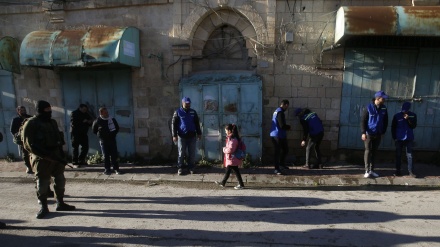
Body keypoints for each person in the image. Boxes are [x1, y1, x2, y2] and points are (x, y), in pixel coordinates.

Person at [22, 100, 75, 219]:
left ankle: (60, 202)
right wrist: (45, 155)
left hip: (56, 156)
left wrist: (61, 156)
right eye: (47, 109)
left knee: (60, 180)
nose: (49, 111)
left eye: (50, 109)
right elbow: (28, 144)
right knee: (42, 183)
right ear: (40, 110)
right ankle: (43, 207)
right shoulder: (31, 123)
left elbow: (59, 139)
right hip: (42, 158)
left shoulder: (52, 122)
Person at [361, 91, 389, 178]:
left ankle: (372, 170)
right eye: (383, 98)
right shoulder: (368, 107)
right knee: (368, 151)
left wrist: (383, 132)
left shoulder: (384, 108)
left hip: (378, 134)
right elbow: (363, 120)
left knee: (375, 152)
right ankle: (366, 170)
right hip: (369, 133)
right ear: (377, 98)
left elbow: (385, 121)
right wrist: (363, 132)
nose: (384, 100)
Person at [171, 97, 202, 175]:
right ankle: (180, 167)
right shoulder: (178, 112)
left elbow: (197, 123)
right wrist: (174, 135)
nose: (188, 104)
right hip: (182, 136)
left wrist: (199, 133)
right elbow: (173, 124)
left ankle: (191, 167)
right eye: (186, 103)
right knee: (181, 152)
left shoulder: (193, 112)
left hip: (192, 136)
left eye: (189, 103)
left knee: (192, 153)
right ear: (182, 103)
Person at [92, 107, 123, 175]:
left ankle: (116, 169)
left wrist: (113, 134)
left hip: (112, 140)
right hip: (103, 141)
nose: (107, 114)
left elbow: (117, 128)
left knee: (114, 155)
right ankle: (107, 169)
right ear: (101, 113)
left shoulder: (112, 119)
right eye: (105, 112)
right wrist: (100, 136)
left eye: (107, 112)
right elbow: (94, 130)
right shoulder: (97, 121)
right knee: (106, 155)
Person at [215, 124, 245, 189]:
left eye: (226, 130)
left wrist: (224, 149)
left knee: (234, 170)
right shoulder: (231, 138)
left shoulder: (233, 139)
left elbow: (231, 149)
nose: (225, 132)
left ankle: (240, 184)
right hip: (232, 158)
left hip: (232, 158)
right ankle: (223, 182)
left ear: (229, 131)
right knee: (231, 170)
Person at [391, 102, 417, 177]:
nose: (404, 111)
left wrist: (408, 119)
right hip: (399, 138)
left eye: (406, 110)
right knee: (398, 154)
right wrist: (394, 138)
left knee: (409, 155)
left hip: (409, 138)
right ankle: (398, 170)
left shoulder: (413, 115)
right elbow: (393, 127)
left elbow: (413, 126)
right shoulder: (397, 116)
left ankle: (410, 171)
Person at [269, 99, 291, 175]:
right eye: (287, 106)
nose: (287, 108)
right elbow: (282, 125)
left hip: (280, 135)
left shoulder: (277, 111)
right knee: (277, 152)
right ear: (286, 105)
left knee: (285, 149)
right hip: (277, 135)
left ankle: (281, 164)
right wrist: (288, 127)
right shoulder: (280, 112)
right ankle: (276, 168)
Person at [10, 106, 33, 174]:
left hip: (31, 139)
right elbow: (12, 130)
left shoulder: (30, 118)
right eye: (21, 110)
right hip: (22, 140)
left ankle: (34, 165)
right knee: (25, 154)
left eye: (24, 110)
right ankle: (28, 167)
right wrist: (17, 137)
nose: (23, 111)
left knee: (33, 152)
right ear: (18, 111)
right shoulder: (16, 120)